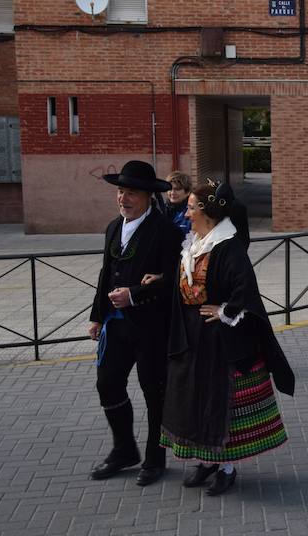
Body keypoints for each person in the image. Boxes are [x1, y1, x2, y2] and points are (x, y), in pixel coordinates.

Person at [159, 182, 294, 496]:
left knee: (221, 402)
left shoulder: (228, 245)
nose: (187, 212)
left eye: (191, 207)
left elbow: (244, 290)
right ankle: (207, 462)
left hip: (222, 340)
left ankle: (227, 468)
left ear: (206, 212)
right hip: (193, 338)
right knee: (197, 399)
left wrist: (224, 311)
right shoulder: (196, 241)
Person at [87, 160, 183, 486]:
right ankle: (124, 450)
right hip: (116, 325)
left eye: (131, 193)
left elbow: (174, 281)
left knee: (154, 393)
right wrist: (97, 316)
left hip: (152, 326)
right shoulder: (114, 227)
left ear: (147, 197)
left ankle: (155, 459)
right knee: (107, 383)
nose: (123, 198)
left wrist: (136, 294)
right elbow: (105, 272)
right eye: (120, 191)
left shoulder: (166, 230)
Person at [164, 171, 192, 236]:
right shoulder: (161, 210)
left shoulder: (192, 213)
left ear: (187, 192)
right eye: (170, 189)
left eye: (177, 189)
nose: (173, 193)